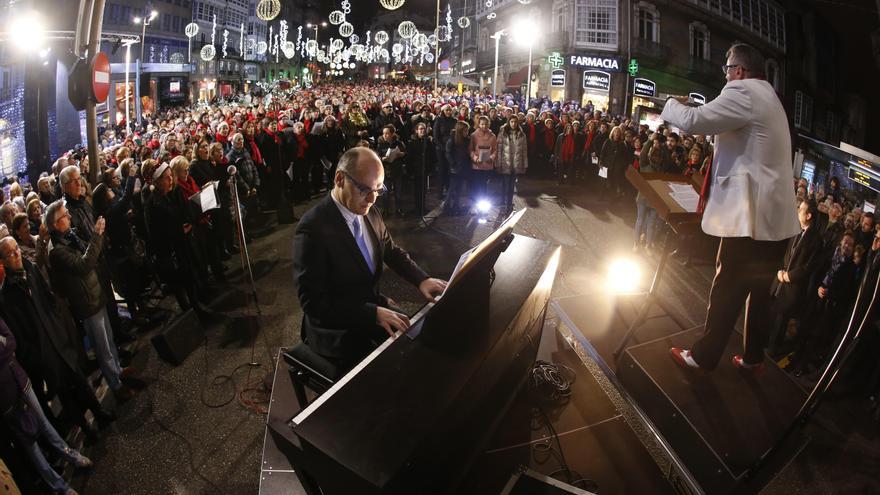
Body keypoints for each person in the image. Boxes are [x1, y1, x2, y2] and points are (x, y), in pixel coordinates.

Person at [665, 43, 800, 371]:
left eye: (727, 69)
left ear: (738, 71)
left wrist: (672, 103)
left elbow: (695, 120)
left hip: (749, 219)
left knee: (727, 286)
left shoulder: (744, 92)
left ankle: (702, 356)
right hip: (776, 221)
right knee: (758, 290)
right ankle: (753, 357)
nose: (725, 76)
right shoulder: (771, 97)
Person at [292, 147, 447, 373]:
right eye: (365, 189)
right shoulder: (312, 229)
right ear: (339, 179)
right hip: (335, 329)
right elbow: (313, 302)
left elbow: (390, 251)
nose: (373, 199)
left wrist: (421, 279)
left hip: (369, 304)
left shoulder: (369, 211)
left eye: (378, 189)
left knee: (419, 338)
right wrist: (371, 313)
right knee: (385, 370)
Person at [44, 200, 134, 401]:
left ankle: (117, 370)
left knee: (108, 338)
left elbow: (88, 252)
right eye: (65, 215)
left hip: (94, 293)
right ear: (57, 223)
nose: (69, 216)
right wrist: (97, 235)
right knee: (101, 346)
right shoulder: (57, 250)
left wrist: (94, 237)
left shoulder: (69, 236)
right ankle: (116, 385)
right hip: (86, 302)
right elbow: (84, 264)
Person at [0, 317, 92, 495]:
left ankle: (71, 455)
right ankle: (59, 486)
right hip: (4, 399)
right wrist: (5, 351)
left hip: (20, 379)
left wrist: (5, 349)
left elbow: (11, 340)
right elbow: (7, 347)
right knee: (29, 441)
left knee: (43, 421)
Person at [767, 199, 823, 357]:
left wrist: (788, 277)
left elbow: (808, 267)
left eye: (801, 209)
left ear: (809, 215)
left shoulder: (816, 240)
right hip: (781, 279)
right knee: (772, 313)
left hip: (793, 285)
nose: (798, 211)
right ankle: (766, 342)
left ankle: (772, 351)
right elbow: (787, 252)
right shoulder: (796, 229)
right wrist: (781, 270)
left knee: (782, 320)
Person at [495, 115, 528, 214]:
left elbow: (524, 150)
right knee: (505, 185)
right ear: (509, 122)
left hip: (515, 163)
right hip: (506, 162)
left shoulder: (521, 134)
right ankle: (503, 204)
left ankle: (509, 204)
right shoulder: (503, 133)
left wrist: (524, 164)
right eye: (512, 122)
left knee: (511, 186)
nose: (513, 124)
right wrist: (498, 162)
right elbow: (499, 148)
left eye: (515, 122)